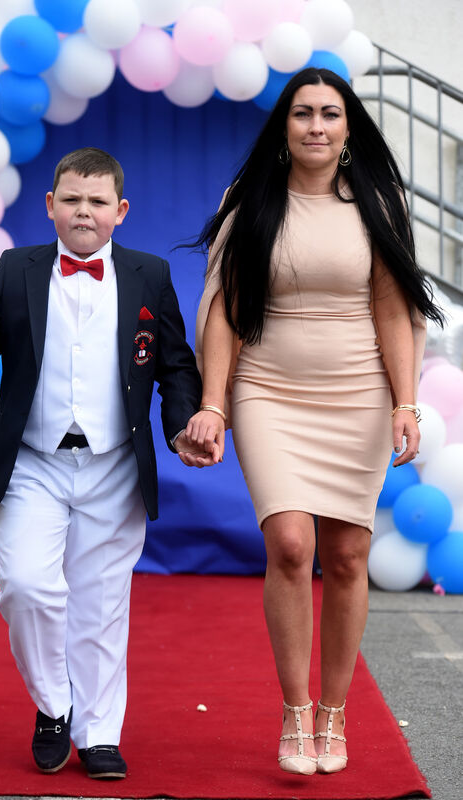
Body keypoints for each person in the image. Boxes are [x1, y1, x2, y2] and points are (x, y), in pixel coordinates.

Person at [186, 68, 444, 776]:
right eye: (302, 114)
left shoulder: (376, 203)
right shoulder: (250, 201)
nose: (316, 127)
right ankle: (295, 709)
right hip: (268, 390)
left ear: (348, 127)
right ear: (284, 126)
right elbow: (223, 309)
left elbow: (394, 310)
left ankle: (334, 713)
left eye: (330, 114)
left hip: (357, 391)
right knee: (292, 545)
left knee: (348, 556)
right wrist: (213, 403)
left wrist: (403, 401)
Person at [0, 147, 216, 780]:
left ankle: (99, 733)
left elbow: (175, 362)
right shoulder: (16, 268)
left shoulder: (149, 274)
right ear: (51, 206)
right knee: (26, 589)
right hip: (33, 463)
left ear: (120, 211)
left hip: (113, 464)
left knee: (101, 603)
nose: (84, 212)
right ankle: (53, 704)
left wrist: (181, 427)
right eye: (71, 199)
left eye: (97, 202)